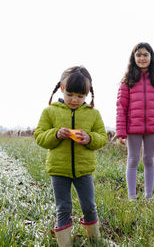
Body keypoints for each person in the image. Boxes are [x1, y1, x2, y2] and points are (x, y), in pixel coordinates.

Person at [34, 66, 108, 246]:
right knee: (63, 207)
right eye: (70, 94)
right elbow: (39, 136)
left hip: (84, 170)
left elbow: (103, 137)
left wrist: (90, 138)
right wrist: (56, 134)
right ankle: (64, 243)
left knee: (89, 206)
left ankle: (94, 240)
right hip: (59, 170)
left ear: (87, 94)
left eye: (80, 96)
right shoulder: (50, 111)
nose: (75, 99)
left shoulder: (93, 114)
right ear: (61, 88)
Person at [116, 42, 154, 201]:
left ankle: (149, 196)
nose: (142, 58)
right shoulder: (127, 81)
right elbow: (121, 106)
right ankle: (132, 197)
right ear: (133, 58)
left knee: (149, 159)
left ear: (151, 57)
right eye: (138, 55)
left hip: (153, 128)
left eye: (145, 55)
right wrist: (120, 131)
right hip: (133, 128)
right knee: (132, 160)